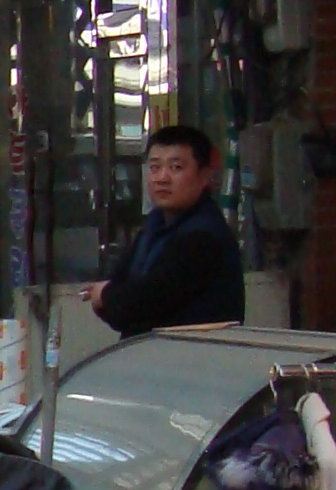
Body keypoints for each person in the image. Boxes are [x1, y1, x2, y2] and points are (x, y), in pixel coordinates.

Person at [86, 123, 244, 337]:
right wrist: (112, 298)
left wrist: (106, 296)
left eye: (176, 168)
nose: (162, 178)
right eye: (154, 167)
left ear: (204, 176)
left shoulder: (203, 237)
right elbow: (119, 292)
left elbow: (141, 305)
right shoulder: (154, 224)